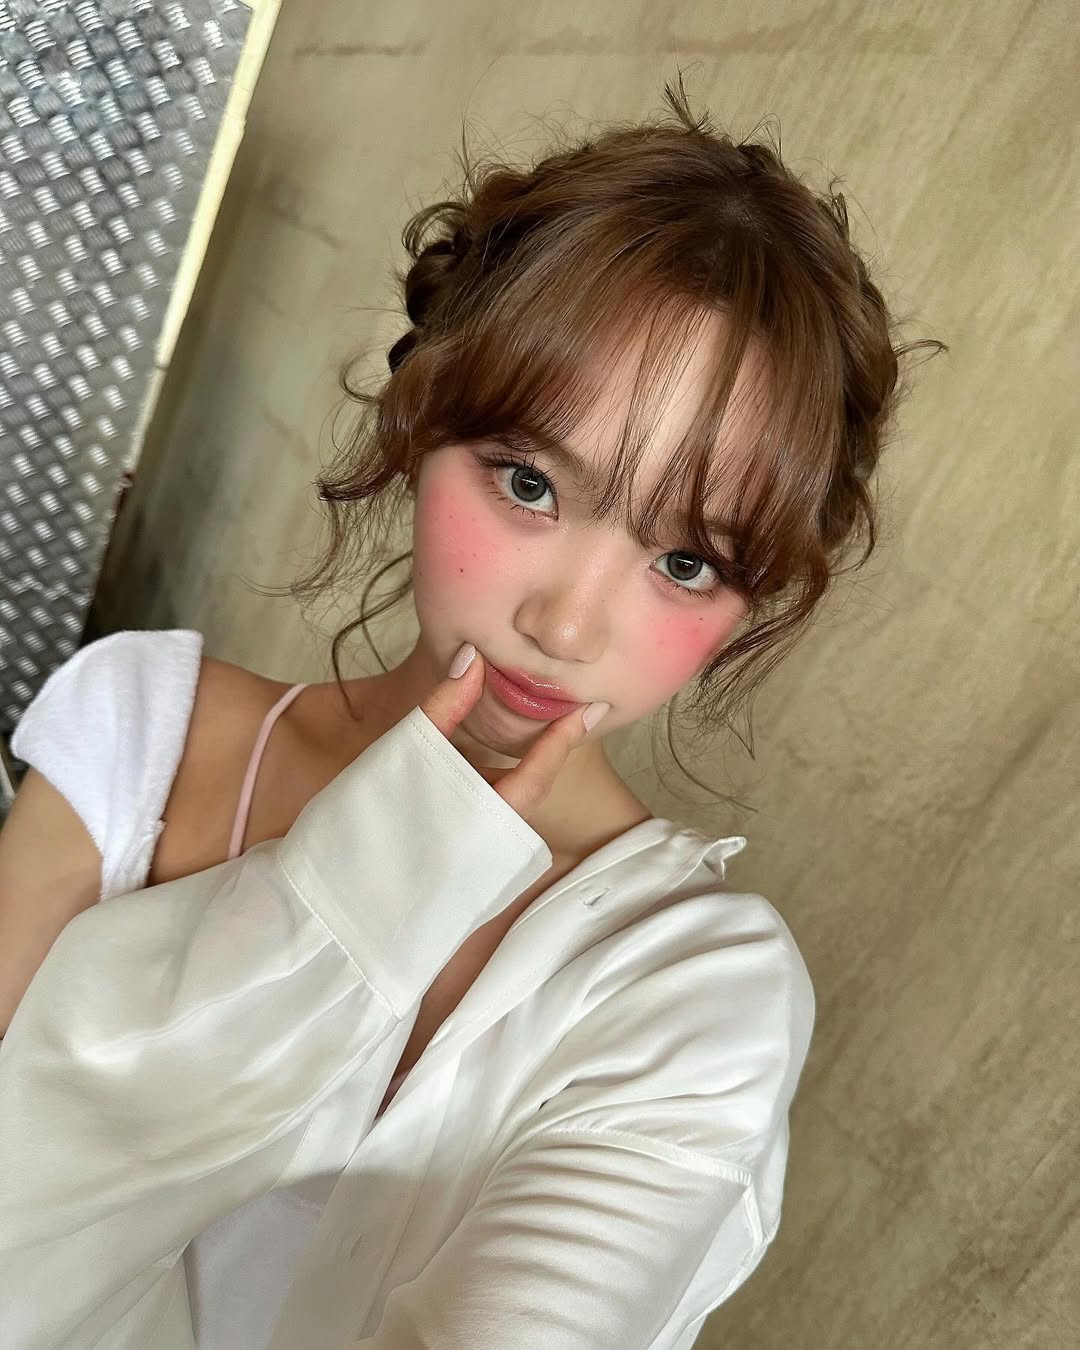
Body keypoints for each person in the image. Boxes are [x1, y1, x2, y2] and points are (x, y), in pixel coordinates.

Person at [0, 78, 942, 1350]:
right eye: (530, 483)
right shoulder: (141, 738)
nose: (568, 626)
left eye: (686, 562)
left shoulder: (693, 989)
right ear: (418, 418)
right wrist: (350, 897)